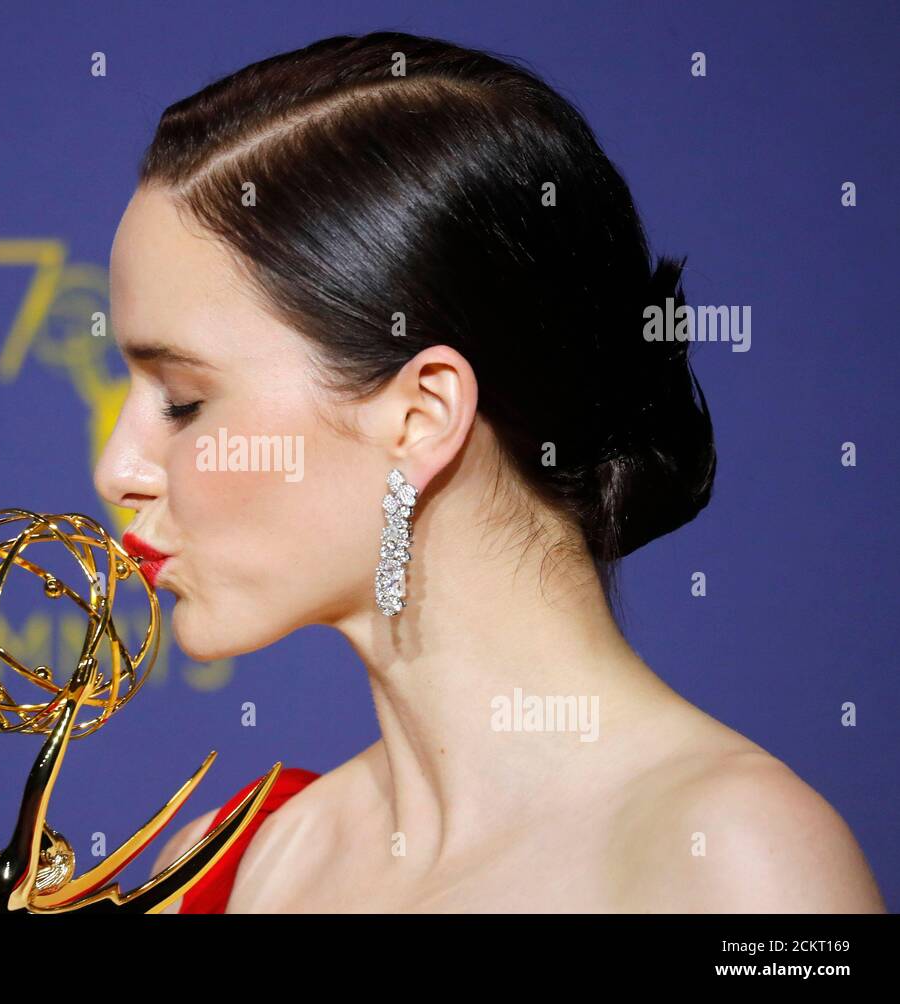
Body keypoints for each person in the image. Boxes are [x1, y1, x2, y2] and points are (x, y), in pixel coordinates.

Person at [93, 31, 886, 913]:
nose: (117, 468)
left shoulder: (734, 867)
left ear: (422, 415)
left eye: (183, 400)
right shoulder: (239, 861)